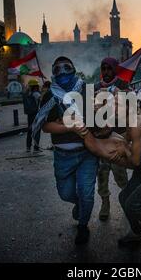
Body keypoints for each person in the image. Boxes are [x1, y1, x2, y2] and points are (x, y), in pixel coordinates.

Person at [72, 105, 141, 254]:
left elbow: (135, 161)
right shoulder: (128, 124)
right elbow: (126, 141)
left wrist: (124, 150)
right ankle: (136, 233)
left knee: (133, 203)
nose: (109, 119)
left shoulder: (135, 125)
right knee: (123, 197)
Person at [33, 56, 99, 245]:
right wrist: (70, 127)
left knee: (86, 193)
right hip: (62, 156)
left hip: (87, 153)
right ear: (53, 73)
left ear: (73, 69)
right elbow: (45, 126)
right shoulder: (50, 96)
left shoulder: (87, 91)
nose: (62, 72)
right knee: (66, 193)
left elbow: (97, 120)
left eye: (66, 67)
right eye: (57, 69)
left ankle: (83, 226)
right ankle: (78, 204)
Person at [93, 57, 129, 221]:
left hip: (118, 138)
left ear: (115, 69)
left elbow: (130, 112)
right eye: (103, 68)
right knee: (102, 174)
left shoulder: (124, 86)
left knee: (120, 173)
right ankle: (105, 203)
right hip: (100, 140)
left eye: (109, 68)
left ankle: (128, 202)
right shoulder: (95, 87)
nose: (106, 72)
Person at [23, 79, 42, 153]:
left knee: (30, 130)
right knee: (37, 130)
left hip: (29, 114)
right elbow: (41, 99)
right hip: (36, 114)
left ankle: (28, 147)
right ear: (36, 86)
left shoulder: (26, 93)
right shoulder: (36, 93)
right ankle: (36, 148)